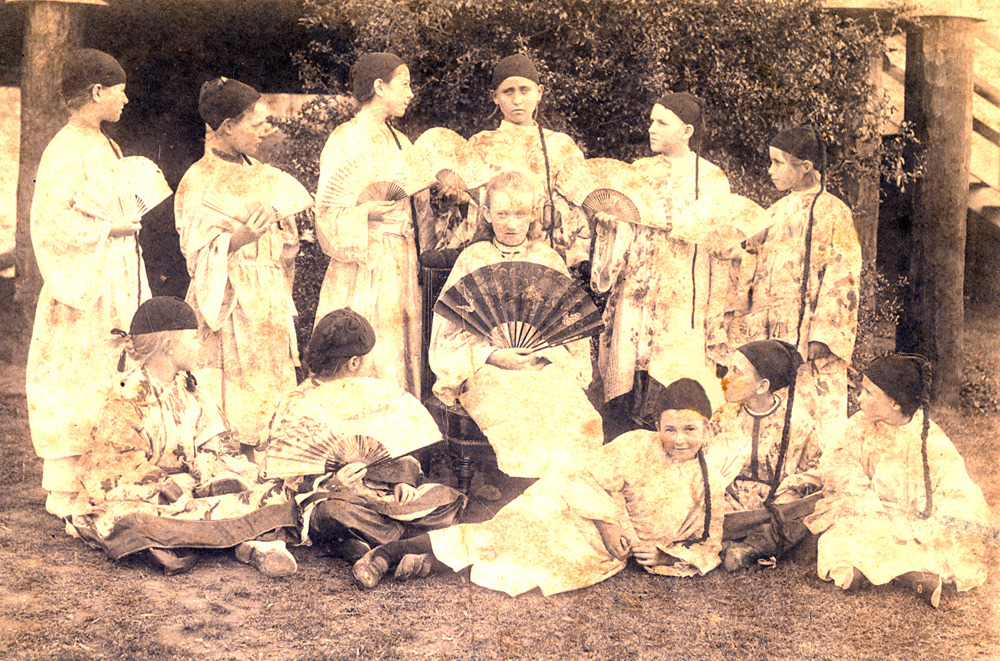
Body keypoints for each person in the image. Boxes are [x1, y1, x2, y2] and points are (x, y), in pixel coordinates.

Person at [352, 378, 729, 595]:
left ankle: (427, 562)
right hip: (576, 516)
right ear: (657, 425)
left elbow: (708, 541)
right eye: (670, 428)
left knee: (530, 566)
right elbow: (583, 474)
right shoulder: (637, 444)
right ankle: (387, 553)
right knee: (505, 535)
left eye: (690, 429)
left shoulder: (709, 479)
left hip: (605, 553)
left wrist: (665, 557)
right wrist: (609, 524)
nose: (679, 440)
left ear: (707, 429)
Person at [68, 297, 298, 577]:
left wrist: (210, 470)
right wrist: (164, 483)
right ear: (169, 346)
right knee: (129, 518)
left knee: (266, 492)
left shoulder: (190, 390)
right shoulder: (126, 395)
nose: (200, 344)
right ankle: (249, 540)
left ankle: (216, 544)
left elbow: (217, 444)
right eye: (194, 337)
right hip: (150, 493)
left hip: (192, 486)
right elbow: (113, 466)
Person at [26, 49, 152, 517]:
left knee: (115, 371)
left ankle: (109, 480)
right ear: (97, 92)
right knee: (79, 378)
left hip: (115, 276)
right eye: (120, 90)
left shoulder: (101, 142)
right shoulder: (66, 147)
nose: (126, 98)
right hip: (83, 286)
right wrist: (109, 230)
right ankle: (67, 490)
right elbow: (50, 223)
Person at [428, 171, 603, 479]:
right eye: (502, 213)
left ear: (533, 214)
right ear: (486, 213)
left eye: (520, 214)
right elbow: (447, 335)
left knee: (570, 409)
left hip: (543, 365)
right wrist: (493, 356)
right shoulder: (473, 258)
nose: (511, 224)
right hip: (488, 369)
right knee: (513, 402)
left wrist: (543, 352)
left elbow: (570, 326)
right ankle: (528, 489)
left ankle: (565, 492)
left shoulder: (546, 258)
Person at [259, 308, 465, 563]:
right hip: (334, 498)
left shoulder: (367, 394)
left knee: (448, 498)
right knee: (332, 513)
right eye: (365, 359)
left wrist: (403, 482)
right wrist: (332, 483)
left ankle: (362, 542)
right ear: (354, 362)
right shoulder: (296, 402)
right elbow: (284, 474)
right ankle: (406, 541)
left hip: (378, 493)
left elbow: (390, 444)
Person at [805, 354, 993, 608]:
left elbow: (955, 489)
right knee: (841, 533)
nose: (858, 398)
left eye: (868, 393)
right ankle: (910, 575)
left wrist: (921, 524)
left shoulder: (927, 437)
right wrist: (869, 506)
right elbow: (840, 467)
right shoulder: (858, 425)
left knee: (950, 540)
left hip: (918, 518)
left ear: (893, 403)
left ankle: (898, 574)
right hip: (872, 509)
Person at [175, 77, 305, 442]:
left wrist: (284, 241)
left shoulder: (261, 174)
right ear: (228, 126)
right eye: (255, 124)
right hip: (228, 300)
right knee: (232, 403)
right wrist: (239, 239)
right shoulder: (199, 179)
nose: (264, 132)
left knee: (274, 405)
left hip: (270, 299)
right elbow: (195, 252)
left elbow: (284, 242)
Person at [598, 93, 733, 436]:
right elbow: (623, 227)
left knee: (675, 368)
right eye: (651, 120)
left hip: (683, 289)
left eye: (662, 122)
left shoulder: (712, 178)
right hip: (638, 284)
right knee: (629, 365)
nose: (652, 129)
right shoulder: (639, 171)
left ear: (687, 130)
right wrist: (610, 223)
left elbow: (721, 245)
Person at [313, 52, 434, 399]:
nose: (411, 93)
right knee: (368, 345)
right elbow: (326, 212)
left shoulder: (401, 141)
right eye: (405, 84)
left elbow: (417, 200)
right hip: (362, 263)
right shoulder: (344, 138)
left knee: (398, 347)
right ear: (380, 87)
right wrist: (365, 213)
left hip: (402, 260)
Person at [730, 127, 862, 442]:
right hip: (768, 327)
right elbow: (752, 266)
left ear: (805, 167)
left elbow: (843, 275)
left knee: (811, 409)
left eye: (778, 163)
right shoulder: (772, 213)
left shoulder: (834, 212)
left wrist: (825, 336)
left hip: (809, 333)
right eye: (770, 162)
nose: (770, 170)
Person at [436, 54, 591, 267]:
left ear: (539, 92)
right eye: (508, 91)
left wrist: (557, 213)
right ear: (495, 96)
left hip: (546, 258)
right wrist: (463, 203)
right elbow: (471, 210)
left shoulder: (562, 146)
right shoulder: (478, 145)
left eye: (524, 90)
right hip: (492, 260)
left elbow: (579, 212)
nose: (517, 100)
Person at [710, 339, 822, 570]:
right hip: (731, 504)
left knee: (809, 509)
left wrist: (791, 490)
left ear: (762, 386)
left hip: (777, 508)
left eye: (736, 372)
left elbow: (814, 468)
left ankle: (747, 548)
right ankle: (750, 546)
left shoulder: (798, 421)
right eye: (728, 369)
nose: (726, 378)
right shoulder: (723, 416)